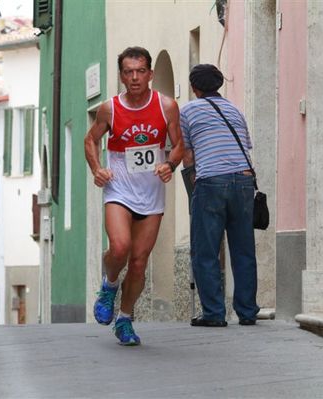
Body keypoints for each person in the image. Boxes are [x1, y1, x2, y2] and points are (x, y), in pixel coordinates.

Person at [84, 46, 184, 345]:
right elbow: (91, 140)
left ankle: (125, 320)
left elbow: (179, 145)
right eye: (129, 72)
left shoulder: (167, 106)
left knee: (139, 262)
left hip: (151, 194)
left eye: (141, 71)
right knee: (120, 247)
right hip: (120, 188)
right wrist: (97, 168)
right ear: (121, 76)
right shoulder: (109, 109)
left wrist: (170, 164)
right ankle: (109, 284)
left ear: (150, 74)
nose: (135, 77)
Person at [180, 64, 260, 327]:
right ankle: (247, 312)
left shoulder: (189, 111)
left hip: (211, 181)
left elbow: (187, 152)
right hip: (244, 181)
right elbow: (245, 146)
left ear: (194, 87)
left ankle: (214, 313)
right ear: (218, 85)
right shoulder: (235, 111)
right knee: (244, 250)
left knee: (205, 250)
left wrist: (193, 179)